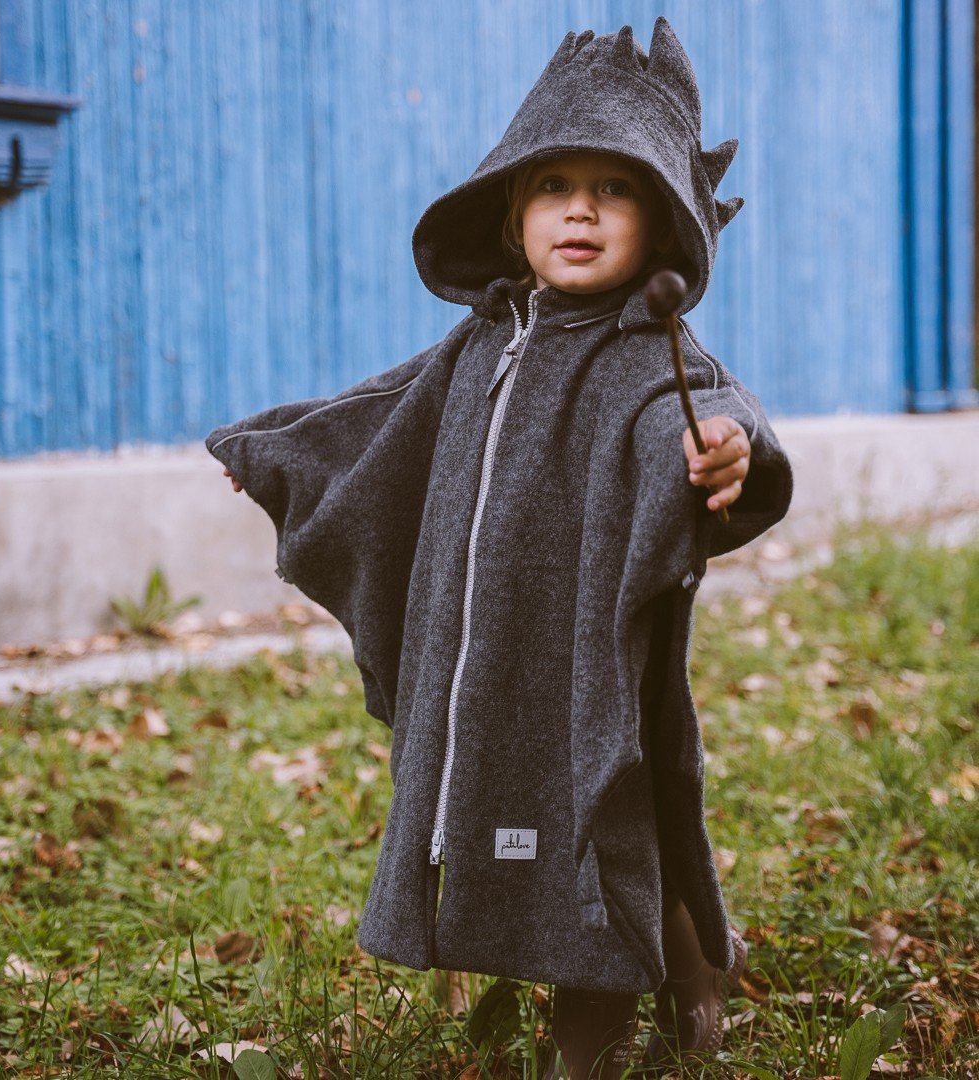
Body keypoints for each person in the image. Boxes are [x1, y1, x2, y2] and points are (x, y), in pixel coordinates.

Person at [209, 18, 792, 1078]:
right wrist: (280, 454)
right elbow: (382, 420)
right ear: (513, 210)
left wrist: (728, 455)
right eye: (554, 182)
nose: (580, 207)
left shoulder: (649, 351)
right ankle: (687, 964)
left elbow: (720, 416)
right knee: (527, 826)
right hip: (483, 667)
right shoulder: (484, 342)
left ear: (659, 223)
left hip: (589, 662)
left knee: (605, 824)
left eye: (614, 188)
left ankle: (617, 1030)